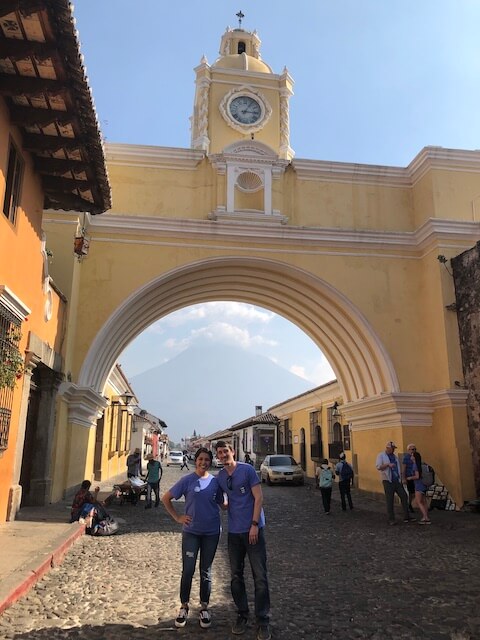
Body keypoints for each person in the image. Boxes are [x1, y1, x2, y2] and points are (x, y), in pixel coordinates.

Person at [162, 447, 225, 629]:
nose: (203, 462)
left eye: (207, 459)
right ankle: (184, 606)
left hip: (212, 533)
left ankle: (204, 608)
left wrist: (245, 499)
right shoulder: (187, 480)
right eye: (200, 459)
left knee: (206, 571)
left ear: (210, 461)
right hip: (191, 532)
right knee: (188, 570)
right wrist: (177, 517)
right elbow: (166, 498)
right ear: (195, 460)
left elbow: (224, 504)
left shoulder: (215, 482)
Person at [215, 440, 271, 640]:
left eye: (225, 451)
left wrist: (255, 524)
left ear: (232, 451)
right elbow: (221, 501)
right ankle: (242, 614)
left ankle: (263, 620)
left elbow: (259, 498)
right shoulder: (220, 476)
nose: (223, 455)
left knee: (260, 577)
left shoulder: (247, 470)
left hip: (253, 530)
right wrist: (223, 503)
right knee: (236, 576)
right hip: (234, 533)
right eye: (219, 453)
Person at [376, 441, 415, 526]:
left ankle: (406, 515)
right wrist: (387, 465)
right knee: (390, 500)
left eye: (394, 448)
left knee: (404, 496)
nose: (393, 450)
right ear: (388, 448)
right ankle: (391, 519)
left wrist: (401, 477)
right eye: (392, 448)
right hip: (387, 480)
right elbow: (378, 467)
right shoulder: (381, 455)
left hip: (397, 480)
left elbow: (398, 467)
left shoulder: (395, 457)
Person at [405, 448, 431, 525]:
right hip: (424, 485)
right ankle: (426, 516)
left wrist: (409, 478)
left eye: (412, 456)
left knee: (419, 501)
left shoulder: (415, 465)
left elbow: (417, 476)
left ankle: (425, 518)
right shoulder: (422, 464)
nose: (411, 457)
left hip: (418, 485)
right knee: (424, 501)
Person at [401, 444, 417, 513]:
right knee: (411, 492)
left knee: (415, 493)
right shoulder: (406, 458)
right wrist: (404, 478)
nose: (414, 451)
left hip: (415, 477)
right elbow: (404, 469)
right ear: (408, 450)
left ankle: (410, 504)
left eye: (415, 449)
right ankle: (409, 505)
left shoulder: (416, 457)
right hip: (409, 477)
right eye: (412, 449)